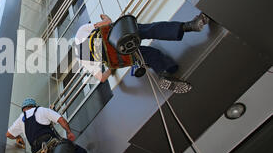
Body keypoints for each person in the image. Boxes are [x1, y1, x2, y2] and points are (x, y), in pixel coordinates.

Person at [74, 13, 210, 93]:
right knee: (150, 29)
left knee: (150, 55)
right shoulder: (80, 33)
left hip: (119, 56)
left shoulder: (84, 60)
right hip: (116, 38)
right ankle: (189, 25)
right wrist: (105, 17)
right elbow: (107, 23)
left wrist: (111, 67)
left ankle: (164, 75)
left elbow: (102, 78)